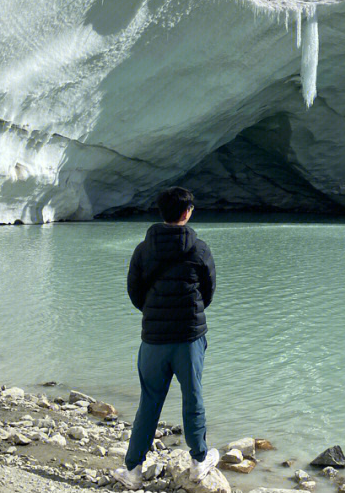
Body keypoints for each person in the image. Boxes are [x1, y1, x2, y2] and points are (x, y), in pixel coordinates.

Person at [111, 187, 219, 489]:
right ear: (187, 213)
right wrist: (189, 314)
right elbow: (208, 291)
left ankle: (132, 470)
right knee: (193, 395)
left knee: (149, 401)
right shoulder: (199, 248)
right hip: (189, 338)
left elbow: (135, 292)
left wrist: (155, 313)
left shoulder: (143, 250)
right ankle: (199, 461)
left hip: (153, 339)